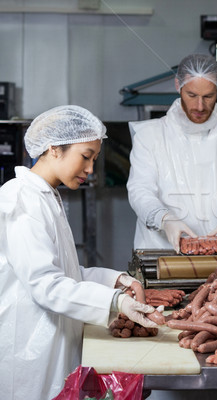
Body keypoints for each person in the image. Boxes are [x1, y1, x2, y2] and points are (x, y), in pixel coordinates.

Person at [0, 105, 158, 400]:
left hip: (52, 348)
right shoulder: (21, 199)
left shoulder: (47, 196)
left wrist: (115, 281)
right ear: (54, 149)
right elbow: (45, 285)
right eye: (85, 156)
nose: (90, 169)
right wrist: (115, 302)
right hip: (28, 356)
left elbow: (64, 273)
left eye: (94, 159)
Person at [127, 54, 217, 253]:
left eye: (208, 96)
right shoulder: (149, 136)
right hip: (160, 252)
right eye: (191, 95)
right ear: (177, 86)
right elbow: (140, 190)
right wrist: (164, 219)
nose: (199, 106)